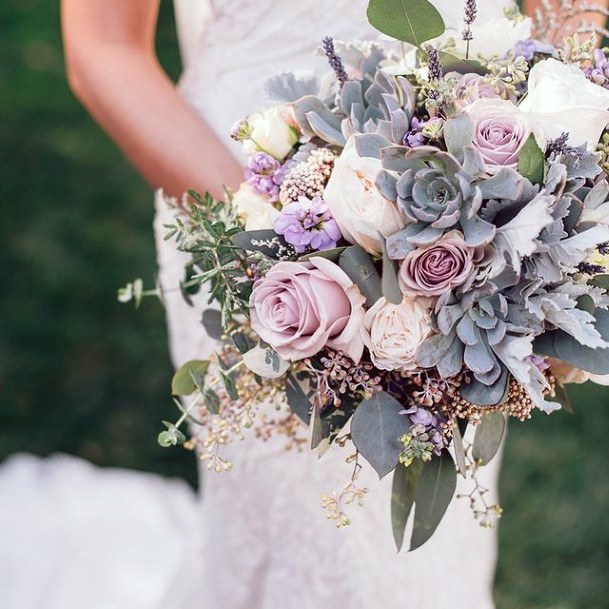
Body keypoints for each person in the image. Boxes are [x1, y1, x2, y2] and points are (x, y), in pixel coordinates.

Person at [1, 1, 606, 608]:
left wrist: (558, 148)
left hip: (475, 158)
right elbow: (104, 50)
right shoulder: (259, 233)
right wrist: (268, 239)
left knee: (426, 556)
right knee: (299, 534)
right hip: (244, 197)